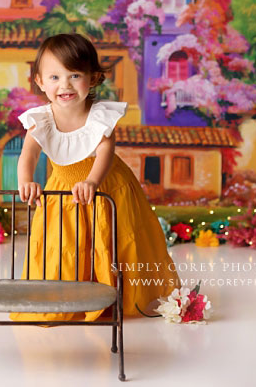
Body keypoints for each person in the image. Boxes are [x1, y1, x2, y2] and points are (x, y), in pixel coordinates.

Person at [12, 33, 180, 322]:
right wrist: (26, 180)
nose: (64, 85)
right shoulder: (41, 119)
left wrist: (91, 181)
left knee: (114, 239)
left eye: (74, 75)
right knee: (66, 242)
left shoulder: (99, 115)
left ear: (93, 79)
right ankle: (67, 297)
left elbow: (105, 151)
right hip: (63, 189)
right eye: (54, 77)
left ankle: (115, 295)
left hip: (107, 184)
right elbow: (27, 154)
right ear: (40, 82)